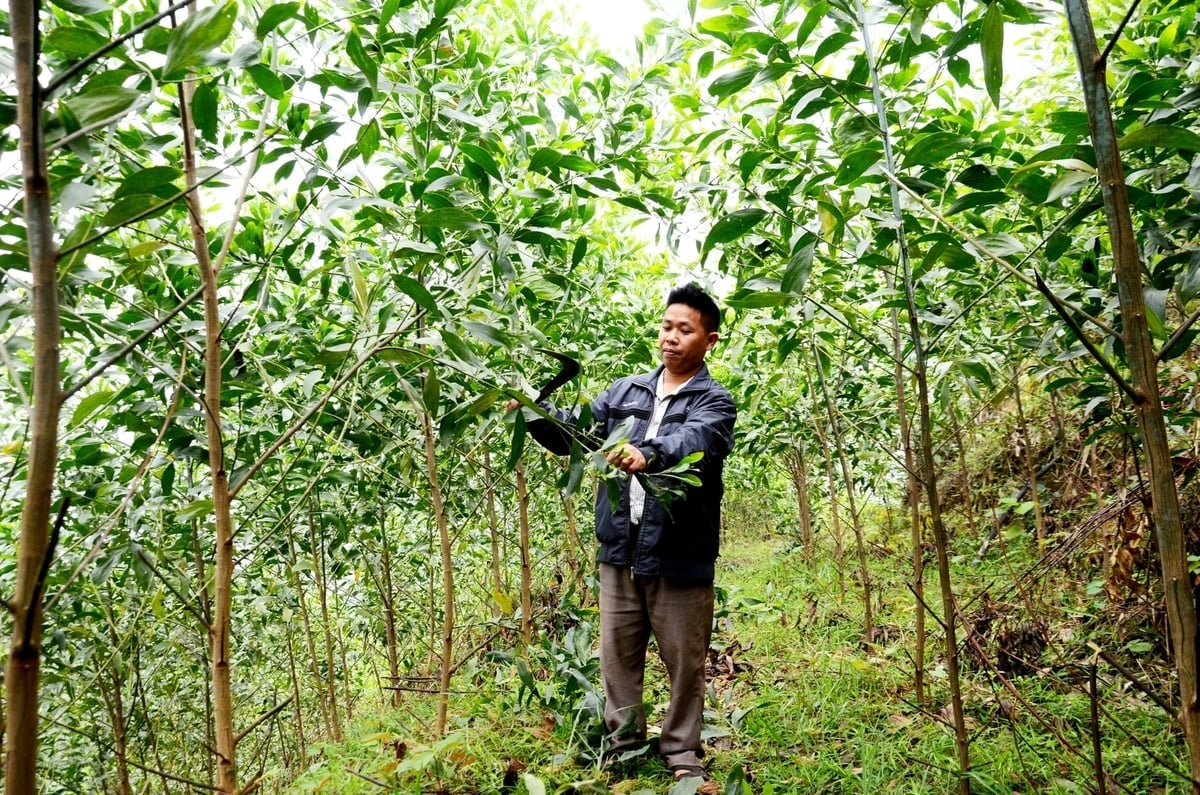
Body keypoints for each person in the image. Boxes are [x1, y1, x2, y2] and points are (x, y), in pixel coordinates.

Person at [508, 282, 736, 785]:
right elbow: (577, 432)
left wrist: (647, 454)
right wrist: (532, 412)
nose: (671, 338)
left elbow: (694, 440)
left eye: (685, 330)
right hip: (620, 547)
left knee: (684, 661)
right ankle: (625, 743)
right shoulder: (626, 391)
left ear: (709, 340)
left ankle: (681, 751)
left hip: (680, 551)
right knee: (618, 656)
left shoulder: (715, 402)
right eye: (667, 326)